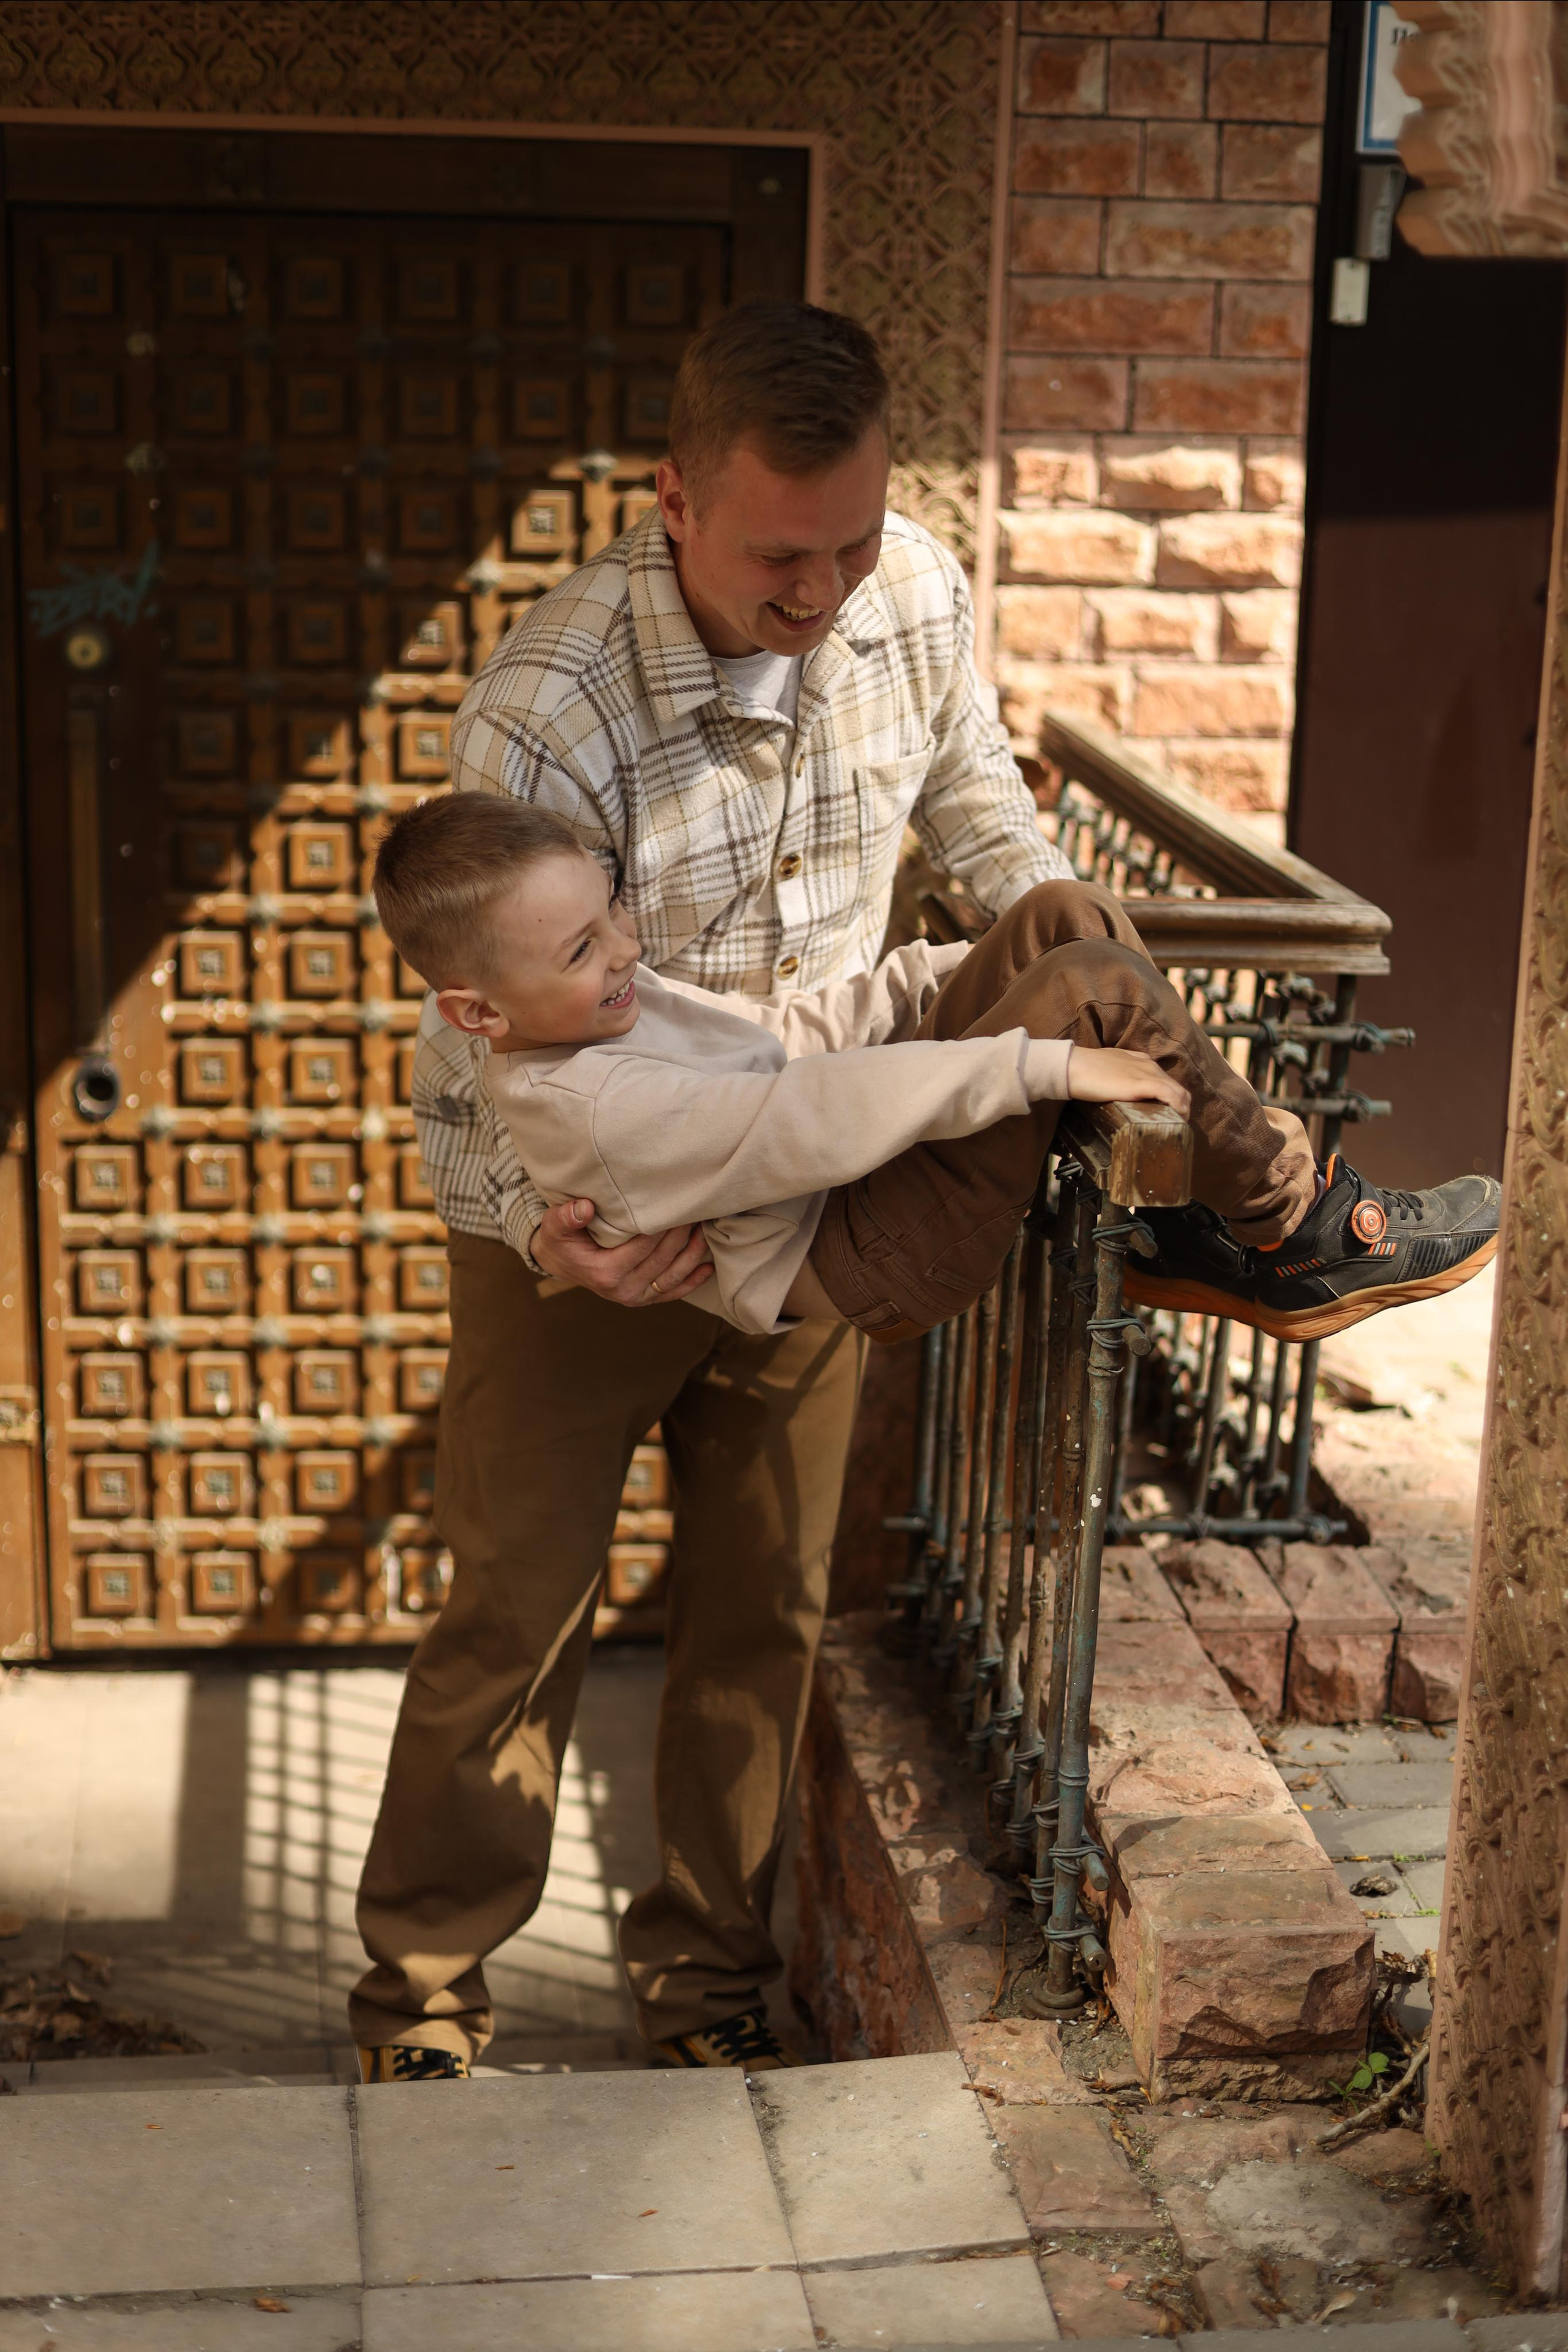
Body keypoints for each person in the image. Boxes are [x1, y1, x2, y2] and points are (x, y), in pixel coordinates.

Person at [373, 793, 1498, 1356]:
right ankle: (1299, 1226)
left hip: (858, 1194)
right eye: (578, 950)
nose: (622, 950)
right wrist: (1040, 1052)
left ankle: (1197, 1223)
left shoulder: (600, 1010)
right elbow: (803, 1110)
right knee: (1090, 982)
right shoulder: (592, 1104)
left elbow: (792, 1033)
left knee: (1061, 919)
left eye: (609, 916)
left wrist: (956, 973)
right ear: (476, 1012)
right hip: (869, 1249)